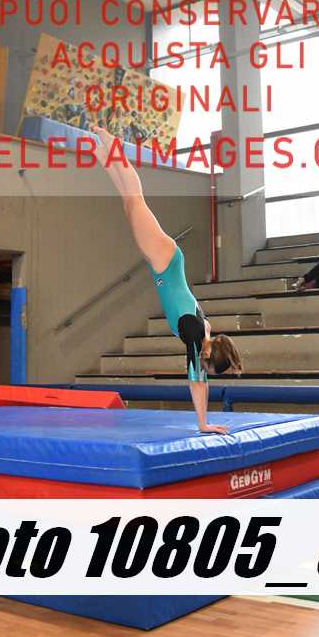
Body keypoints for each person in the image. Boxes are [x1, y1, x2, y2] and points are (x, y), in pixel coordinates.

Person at [93, 126, 242, 435]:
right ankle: (111, 145)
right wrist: (203, 424)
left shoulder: (204, 332)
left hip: (167, 263)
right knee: (136, 201)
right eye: (208, 368)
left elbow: (202, 376)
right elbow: (196, 383)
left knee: (130, 203)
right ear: (207, 357)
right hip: (166, 262)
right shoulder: (195, 334)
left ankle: (104, 155)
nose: (205, 374)